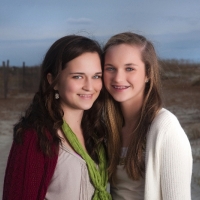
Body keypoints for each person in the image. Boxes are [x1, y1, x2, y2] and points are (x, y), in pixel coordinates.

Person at [3, 35, 111, 200]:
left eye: (96, 76)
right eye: (78, 76)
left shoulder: (97, 132)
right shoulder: (35, 137)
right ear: (52, 80)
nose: (90, 86)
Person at [103, 32, 193, 200]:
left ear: (147, 74)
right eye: (110, 68)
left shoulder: (166, 129)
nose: (118, 78)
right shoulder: (108, 126)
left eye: (129, 68)